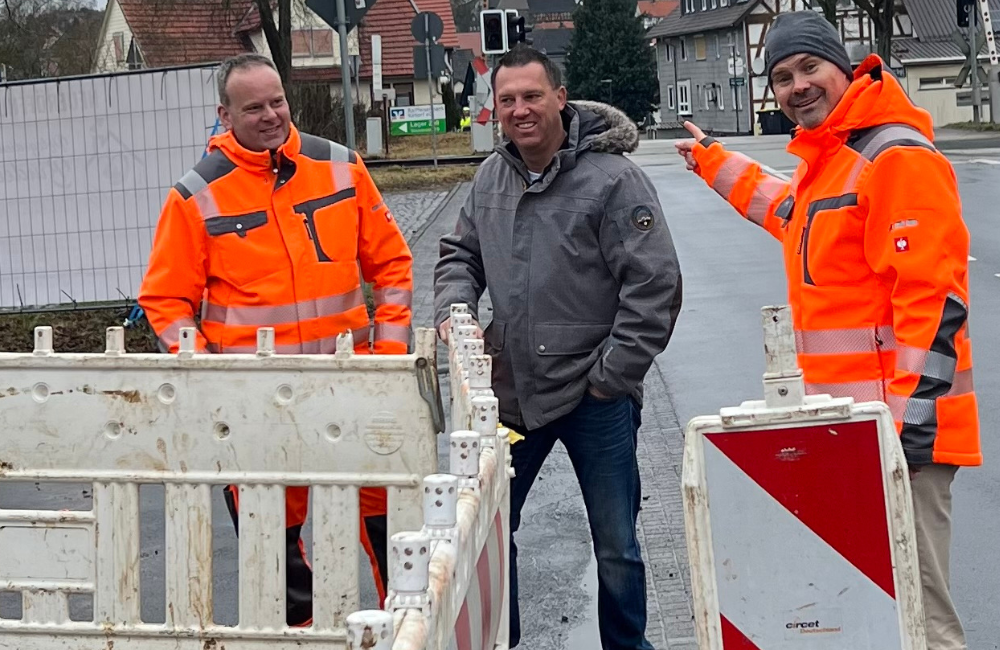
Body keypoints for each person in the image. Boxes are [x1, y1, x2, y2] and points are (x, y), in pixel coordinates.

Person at [675, 11, 980, 650]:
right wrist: (712, 162)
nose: (797, 87)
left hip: (900, 433)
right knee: (874, 604)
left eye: (810, 68)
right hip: (853, 429)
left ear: (847, 67)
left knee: (921, 613)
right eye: (782, 77)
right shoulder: (834, 161)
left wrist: (910, 427)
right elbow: (792, 215)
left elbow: (933, 299)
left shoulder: (893, 156)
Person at [138, 53, 413, 626]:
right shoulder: (196, 196)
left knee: (388, 518)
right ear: (224, 114)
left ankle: (408, 627)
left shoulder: (340, 166)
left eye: (277, 101)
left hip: (352, 387)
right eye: (254, 107)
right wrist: (210, 378)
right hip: (254, 407)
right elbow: (165, 301)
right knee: (276, 544)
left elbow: (390, 265)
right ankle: (303, 638)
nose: (270, 115)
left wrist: (386, 359)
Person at [434, 44, 683, 650]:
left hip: (595, 398)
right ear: (494, 108)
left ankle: (628, 646)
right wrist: (454, 312)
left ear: (560, 99)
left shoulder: (614, 180)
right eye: (508, 99)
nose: (520, 110)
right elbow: (459, 255)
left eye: (532, 96)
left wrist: (609, 377)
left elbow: (656, 286)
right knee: (489, 534)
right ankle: (503, 640)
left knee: (617, 545)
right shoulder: (491, 176)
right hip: (513, 395)